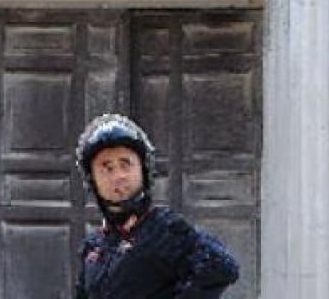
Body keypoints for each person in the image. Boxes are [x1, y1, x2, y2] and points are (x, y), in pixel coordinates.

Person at [74, 113, 239, 299]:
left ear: (143, 170)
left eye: (125, 164)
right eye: (107, 167)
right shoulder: (94, 246)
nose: (118, 176)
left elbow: (221, 268)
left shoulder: (164, 228)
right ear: (92, 180)